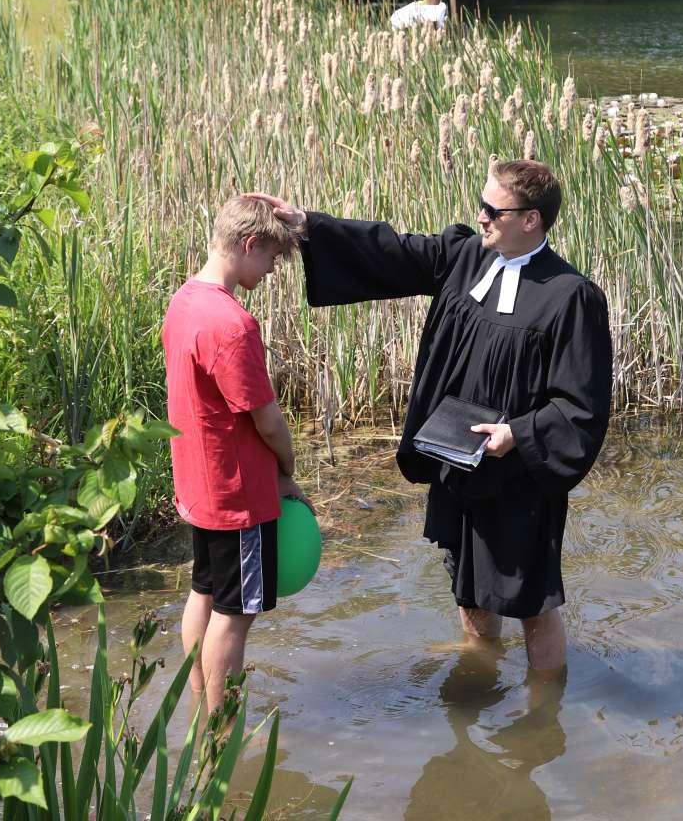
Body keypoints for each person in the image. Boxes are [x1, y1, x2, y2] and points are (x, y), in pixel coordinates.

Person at [250, 159, 613, 671]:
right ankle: (481, 664)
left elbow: (583, 405)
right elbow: (392, 250)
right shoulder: (465, 257)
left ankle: (542, 717)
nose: (481, 217)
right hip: (456, 459)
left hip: (517, 476)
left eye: (493, 210)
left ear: (531, 219)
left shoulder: (571, 297)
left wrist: (518, 434)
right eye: (481, 205)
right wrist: (311, 225)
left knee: (533, 602)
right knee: (465, 582)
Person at [163, 195, 308, 722]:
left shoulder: (183, 302)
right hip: (239, 493)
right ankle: (222, 732)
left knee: (203, 591)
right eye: (271, 257)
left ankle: (202, 707)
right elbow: (266, 419)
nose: (272, 270)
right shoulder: (233, 324)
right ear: (249, 245)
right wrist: (286, 470)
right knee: (237, 613)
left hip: (199, 483)